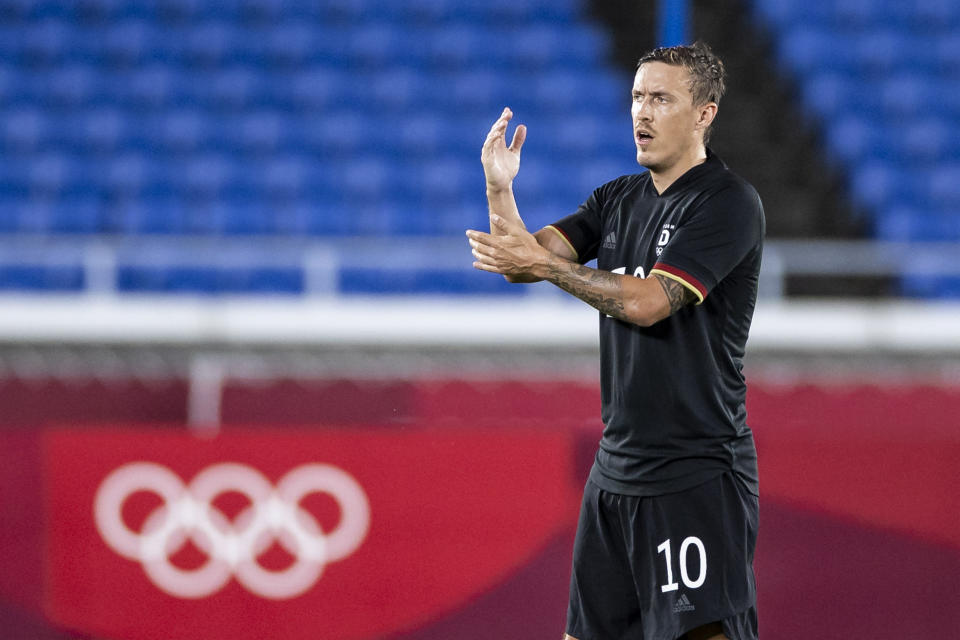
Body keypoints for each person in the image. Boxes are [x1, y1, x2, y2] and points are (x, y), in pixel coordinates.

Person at [466, 42, 763, 640]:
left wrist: (548, 268)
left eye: (660, 98)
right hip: (616, 469)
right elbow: (522, 260)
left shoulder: (727, 204)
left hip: (695, 469)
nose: (641, 113)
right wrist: (501, 190)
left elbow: (650, 303)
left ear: (704, 113)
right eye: (636, 97)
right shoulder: (618, 199)